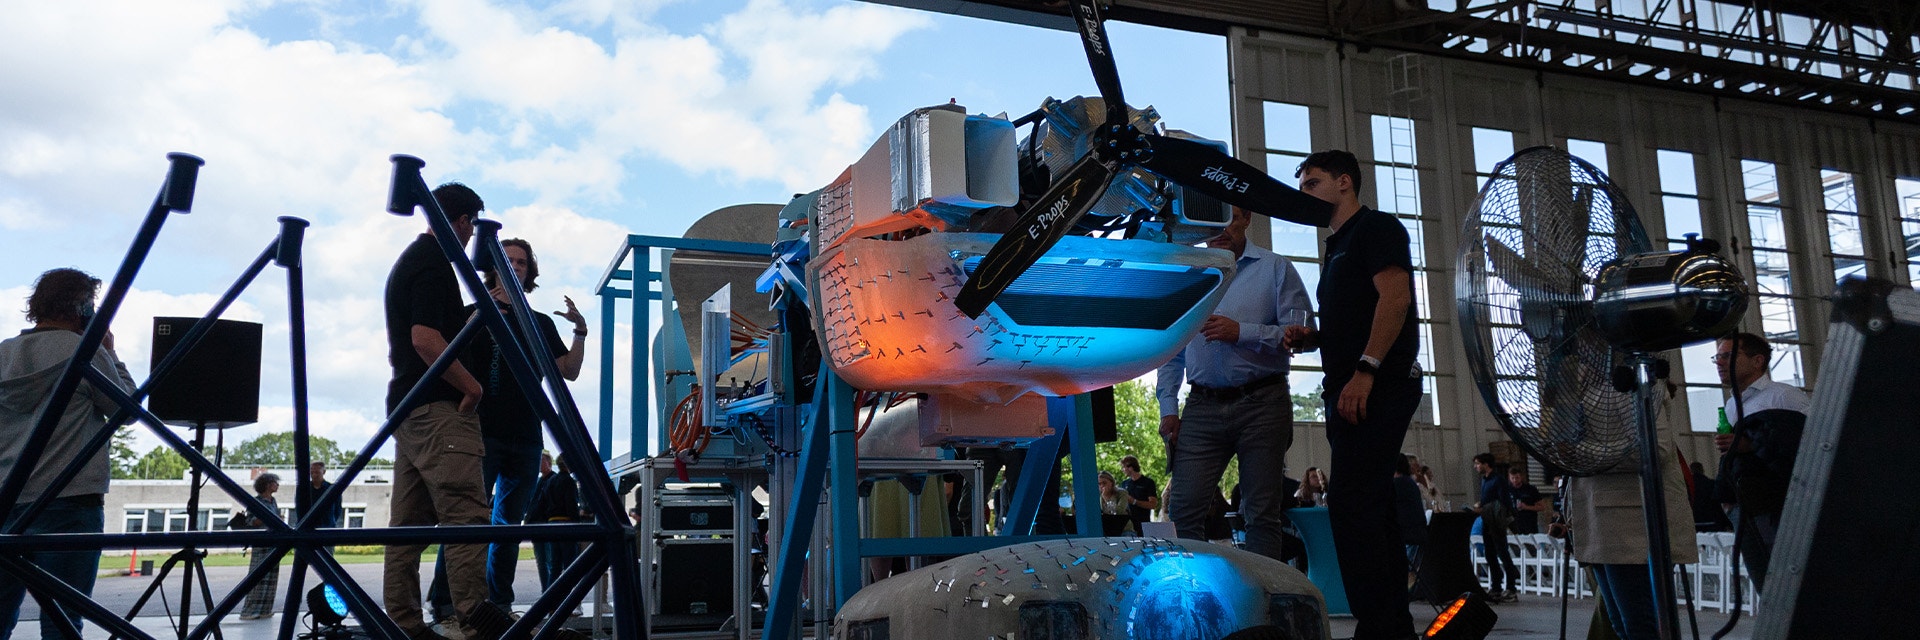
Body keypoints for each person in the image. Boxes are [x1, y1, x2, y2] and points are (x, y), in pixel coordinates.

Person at [1283, 150, 1424, 640]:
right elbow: (1355, 313)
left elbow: (1395, 298)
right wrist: (1316, 339)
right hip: (1347, 387)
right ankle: (1393, 625)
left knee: (1351, 503)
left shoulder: (1377, 228)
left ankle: (1378, 624)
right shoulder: (1336, 245)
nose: (1306, 194)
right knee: (1373, 505)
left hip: (1378, 384)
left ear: (1345, 182)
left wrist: (1366, 370)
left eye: (1313, 183)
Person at [428, 237, 587, 611]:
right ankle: (445, 602)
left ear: (530, 272)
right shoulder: (472, 314)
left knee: (509, 529)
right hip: (479, 433)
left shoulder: (539, 323)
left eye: (521, 263)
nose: (515, 267)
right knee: (466, 522)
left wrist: (580, 331)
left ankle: (498, 604)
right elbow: (448, 359)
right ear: (493, 269)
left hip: (527, 436)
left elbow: (570, 371)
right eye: (508, 261)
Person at [1155, 206, 1313, 562]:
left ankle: (1264, 604)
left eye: (1230, 218)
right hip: (1201, 405)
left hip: (1263, 400)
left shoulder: (1275, 269)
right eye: (1210, 219)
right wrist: (1168, 408)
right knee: (1183, 511)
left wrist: (1242, 332)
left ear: (1246, 219)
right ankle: (1196, 601)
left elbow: (1304, 336)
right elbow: (1172, 349)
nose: (1221, 227)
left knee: (1260, 514)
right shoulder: (1186, 272)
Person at [382, 182, 498, 640]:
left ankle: (406, 624)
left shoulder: (412, 261)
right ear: (465, 222)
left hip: (410, 407)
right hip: (439, 408)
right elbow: (425, 339)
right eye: (471, 227)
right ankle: (476, 618)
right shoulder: (433, 265)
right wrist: (472, 389)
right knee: (467, 515)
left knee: (406, 528)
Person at [0, 268, 137, 640]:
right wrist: (112, 353)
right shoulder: (84, 351)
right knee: (63, 620)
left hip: (7, 501)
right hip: (70, 500)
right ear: (84, 309)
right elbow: (125, 410)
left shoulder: (4, 353)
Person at [1563, 385, 1698, 640]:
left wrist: (1581, 452)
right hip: (1599, 522)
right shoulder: (1589, 390)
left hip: (1629, 524)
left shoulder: (1632, 385)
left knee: (1640, 625)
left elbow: (1654, 449)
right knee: (1621, 626)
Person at [1710, 332, 1809, 590]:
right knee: (1762, 579)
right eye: (1717, 357)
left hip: (1775, 506)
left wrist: (1749, 445)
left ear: (1757, 361)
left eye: (1728, 356)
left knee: (1781, 581)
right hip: (1745, 507)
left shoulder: (1785, 397)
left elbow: (1808, 444)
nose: (1720, 363)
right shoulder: (1732, 405)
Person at [1468, 454, 1520, 602]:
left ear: (1486, 464)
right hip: (1486, 521)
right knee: (1490, 555)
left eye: (1478, 464)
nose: (1476, 467)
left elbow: (1503, 502)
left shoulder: (1498, 480)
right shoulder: (1484, 480)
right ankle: (1496, 586)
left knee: (1503, 554)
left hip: (1496, 522)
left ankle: (1511, 588)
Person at [528, 452, 582, 590]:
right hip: (566, 524)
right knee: (570, 566)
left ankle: (551, 601)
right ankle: (568, 600)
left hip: (551, 524)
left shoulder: (550, 482)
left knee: (555, 566)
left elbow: (540, 504)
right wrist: (578, 526)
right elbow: (571, 505)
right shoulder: (569, 482)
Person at [239, 473, 282, 620]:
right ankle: (250, 611)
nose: (277, 485)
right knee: (258, 576)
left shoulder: (273, 501)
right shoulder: (256, 502)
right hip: (262, 543)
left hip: (274, 543)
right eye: (275, 482)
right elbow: (250, 521)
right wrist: (265, 519)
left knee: (271, 577)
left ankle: (265, 609)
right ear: (267, 485)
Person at [1115, 455, 1159, 534]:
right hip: (1128, 525)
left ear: (1130, 467)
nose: (1122, 470)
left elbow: (1153, 504)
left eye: (1123, 467)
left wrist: (1134, 501)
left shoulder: (1148, 482)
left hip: (1143, 524)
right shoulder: (1124, 484)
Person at [1508, 466, 1548, 535]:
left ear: (1521, 477)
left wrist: (1526, 507)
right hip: (1514, 524)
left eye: (1517, 477)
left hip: (1529, 523)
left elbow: (1542, 507)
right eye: (1512, 478)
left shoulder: (1530, 489)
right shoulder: (1507, 490)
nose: (1515, 480)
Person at [1096, 471, 1133, 536]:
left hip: (1124, 529)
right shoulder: (1100, 496)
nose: (1102, 486)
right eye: (1099, 484)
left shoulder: (1122, 493)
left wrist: (1106, 498)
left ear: (1111, 482)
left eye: (1104, 483)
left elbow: (1119, 511)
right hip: (1109, 530)